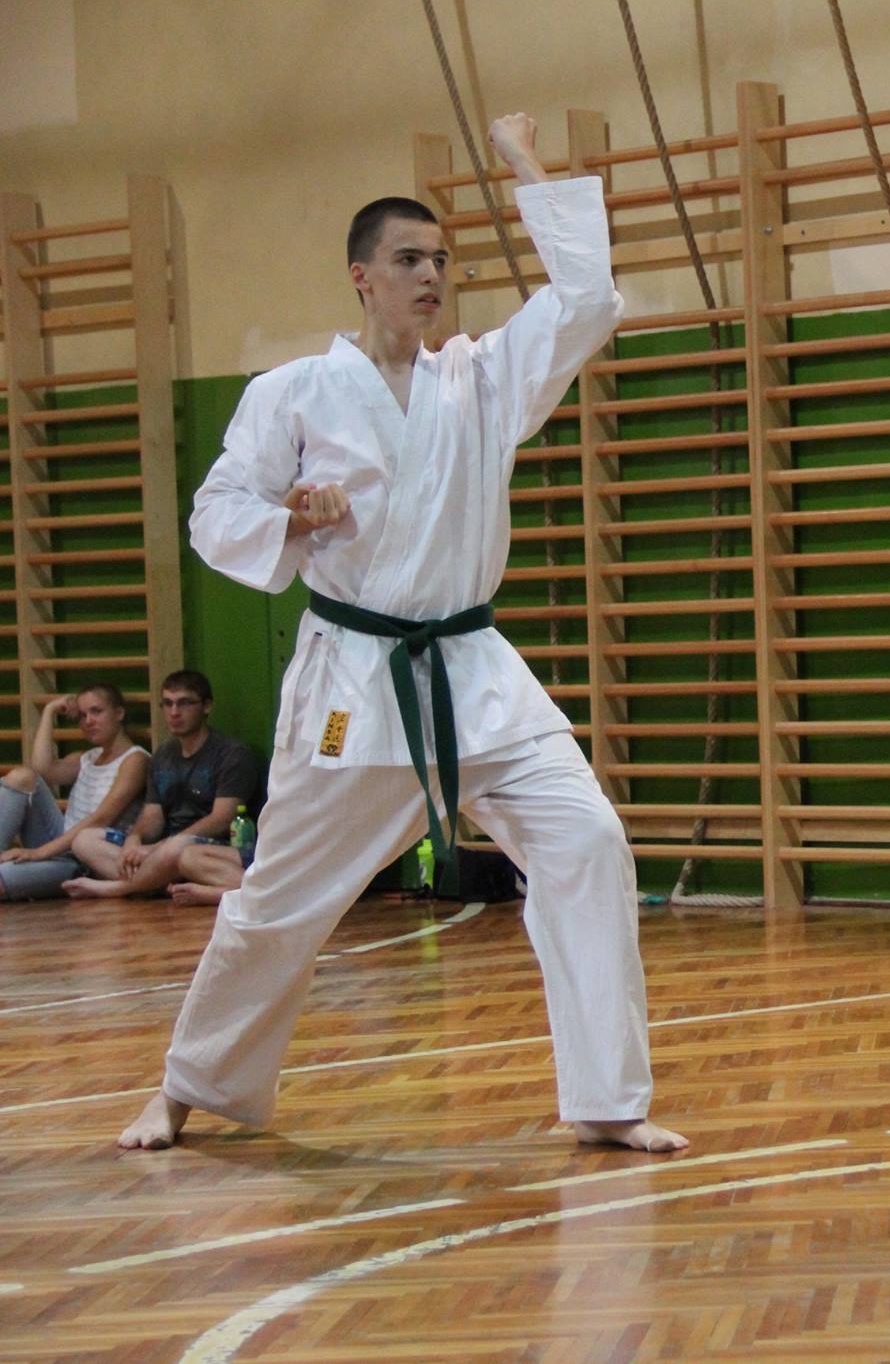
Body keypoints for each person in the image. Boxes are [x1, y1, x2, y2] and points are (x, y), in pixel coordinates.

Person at [118, 112, 682, 1155]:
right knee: (281, 895)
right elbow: (215, 513)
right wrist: (294, 519)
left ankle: (608, 1097)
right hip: (356, 679)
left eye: (441, 261)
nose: (430, 277)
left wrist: (523, 163)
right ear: (361, 277)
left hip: (473, 670)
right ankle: (187, 1087)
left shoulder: (483, 379)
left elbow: (586, 299)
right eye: (409, 260)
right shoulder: (293, 392)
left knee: (587, 840)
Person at [64, 670, 259, 899]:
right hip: (163, 849)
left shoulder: (231, 754)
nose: (174, 712)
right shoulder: (163, 755)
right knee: (84, 840)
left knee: (178, 848)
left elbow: (221, 819)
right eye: (167, 704)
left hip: (207, 848)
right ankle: (156, 880)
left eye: (184, 703)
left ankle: (122, 887)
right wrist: (134, 839)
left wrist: (160, 847)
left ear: (206, 706)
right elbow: (152, 816)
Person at [0, 685, 149, 900]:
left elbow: (102, 818)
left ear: (119, 713)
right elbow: (42, 769)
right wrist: (49, 710)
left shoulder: (135, 760)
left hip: (84, 857)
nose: (88, 721)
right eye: (82, 715)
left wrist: (38, 853)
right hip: (60, 841)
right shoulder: (88, 757)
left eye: (96, 711)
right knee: (22, 777)